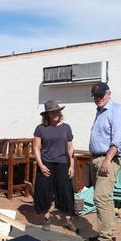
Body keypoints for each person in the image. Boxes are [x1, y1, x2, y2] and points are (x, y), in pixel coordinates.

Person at [83, 82, 121, 241]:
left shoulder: (118, 111)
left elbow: (119, 138)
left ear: (109, 93)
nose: (97, 99)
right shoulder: (100, 111)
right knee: (104, 199)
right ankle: (107, 234)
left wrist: (107, 159)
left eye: (100, 95)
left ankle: (106, 239)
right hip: (98, 158)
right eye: (95, 96)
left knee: (101, 197)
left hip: (108, 159)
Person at [32, 100, 77, 233]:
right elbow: (36, 148)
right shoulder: (40, 128)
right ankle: (46, 218)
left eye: (57, 111)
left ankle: (68, 219)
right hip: (46, 163)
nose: (56, 114)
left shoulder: (66, 127)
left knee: (65, 191)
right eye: (52, 112)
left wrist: (72, 165)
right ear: (47, 115)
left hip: (62, 163)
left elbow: (70, 148)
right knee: (45, 190)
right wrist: (40, 165)